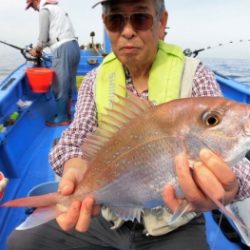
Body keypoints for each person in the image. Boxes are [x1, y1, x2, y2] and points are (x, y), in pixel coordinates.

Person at [8, 0, 250, 249]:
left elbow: (242, 169)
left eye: (140, 18)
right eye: (116, 20)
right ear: (106, 24)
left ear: (161, 22)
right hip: (104, 214)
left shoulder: (196, 75)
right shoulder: (94, 80)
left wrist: (228, 188)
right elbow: (74, 137)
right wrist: (76, 167)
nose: (127, 31)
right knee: (21, 243)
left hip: (175, 225)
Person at [27, 0, 80, 126]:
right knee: (69, 82)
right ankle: (72, 114)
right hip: (73, 46)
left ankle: (62, 118)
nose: (33, 9)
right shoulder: (57, 8)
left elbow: (43, 37)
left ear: (36, 1)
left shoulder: (44, 10)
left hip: (62, 48)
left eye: (32, 5)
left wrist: (36, 50)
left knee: (59, 83)